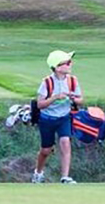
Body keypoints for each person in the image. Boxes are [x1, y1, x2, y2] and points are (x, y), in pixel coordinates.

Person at [32, 50, 82, 184]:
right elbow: (40, 104)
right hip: (47, 119)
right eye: (67, 63)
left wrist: (73, 98)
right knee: (46, 150)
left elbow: (80, 100)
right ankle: (38, 173)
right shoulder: (47, 82)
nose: (70, 65)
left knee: (65, 142)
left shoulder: (72, 80)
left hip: (64, 117)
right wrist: (54, 98)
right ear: (57, 67)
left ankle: (65, 177)